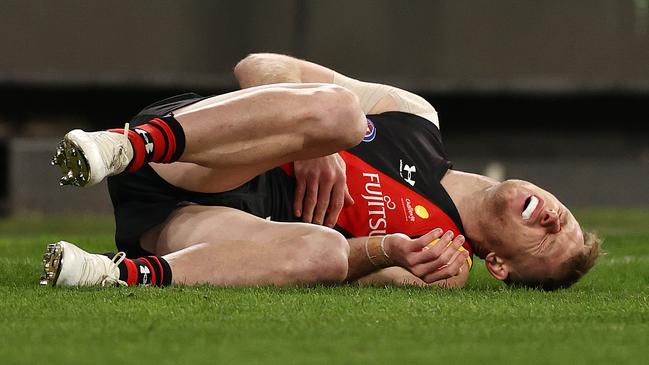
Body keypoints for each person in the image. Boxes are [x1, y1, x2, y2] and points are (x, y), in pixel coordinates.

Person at [42, 53, 601, 290]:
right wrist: (312, 145)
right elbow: (260, 67)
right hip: (195, 155)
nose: (552, 216)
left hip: (195, 227)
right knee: (340, 113)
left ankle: (110, 275)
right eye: (565, 215)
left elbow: (339, 265)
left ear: (499, 265)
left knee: (326, 253)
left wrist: (386, 251)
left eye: (547, 236)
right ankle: (124, 146)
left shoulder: (443, 265)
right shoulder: (415, 117)